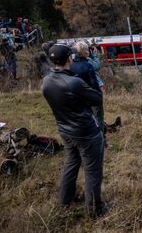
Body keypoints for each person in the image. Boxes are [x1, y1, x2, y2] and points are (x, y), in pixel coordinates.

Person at [41, 44, 107, 217]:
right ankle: (94, 210)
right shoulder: (74, 82)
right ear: (69, 58)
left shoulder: (46, 81)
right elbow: (97, 99)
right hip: (86, 132)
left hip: (65, 130)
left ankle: (65, 200)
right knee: (92, 171)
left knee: (70, 164)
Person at [71, 42, 103, 130]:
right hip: (90, 96)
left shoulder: (70, 64)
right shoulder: (87, 65)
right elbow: (96, 68)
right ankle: (101, 136)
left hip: (78, 97)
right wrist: (99, 96)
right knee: (98, 117)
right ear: (85, 51)